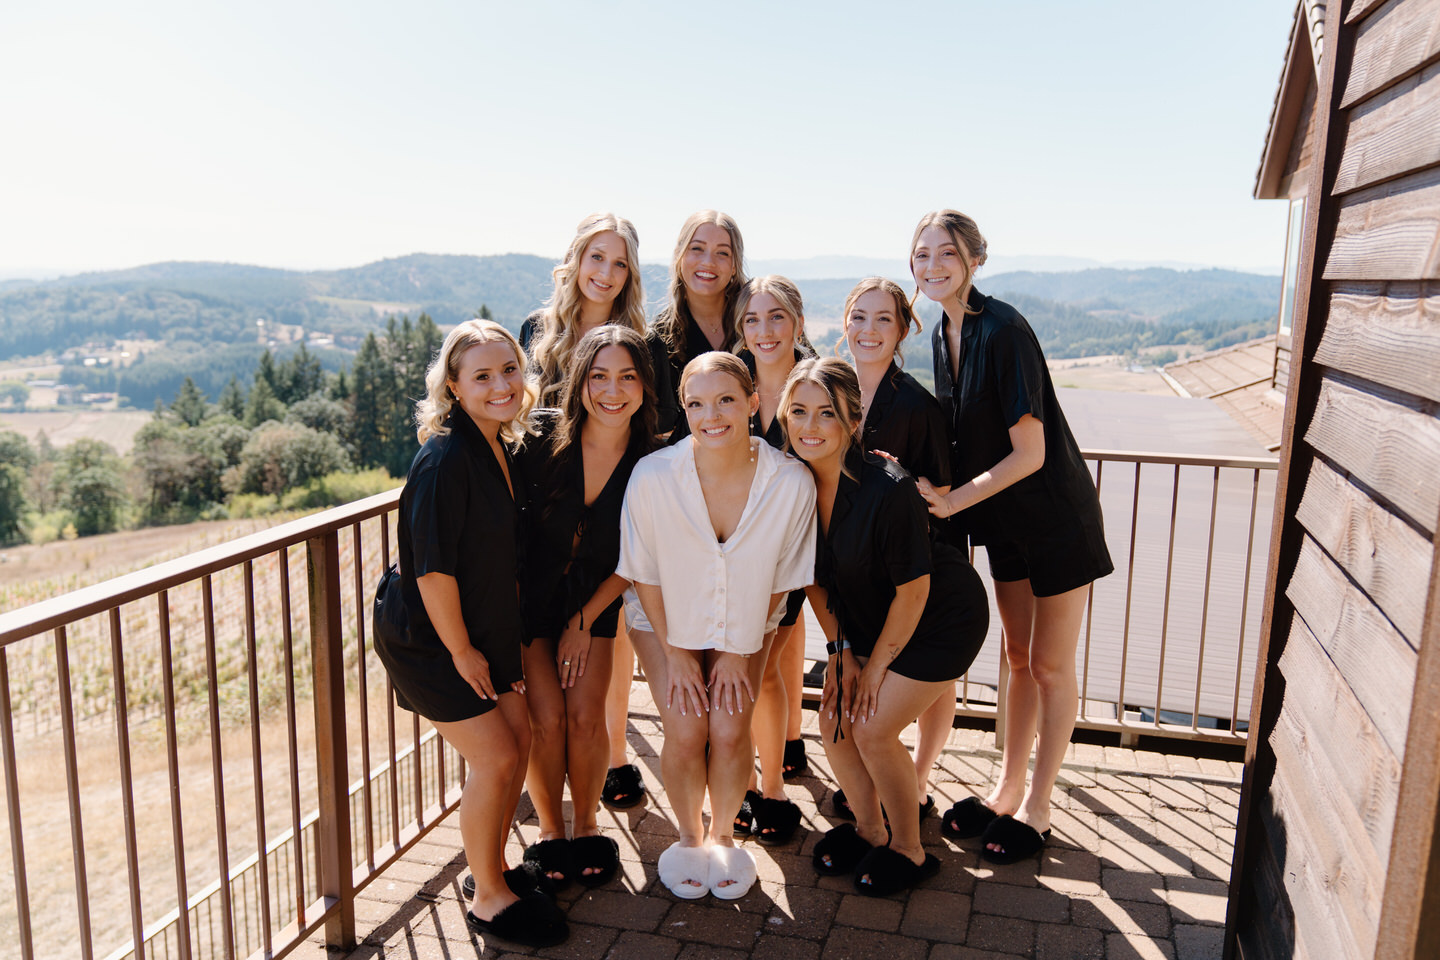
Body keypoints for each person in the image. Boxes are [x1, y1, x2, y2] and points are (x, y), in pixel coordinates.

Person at [910, 209, 1114, 864]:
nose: (932, 264)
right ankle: (1006, 786)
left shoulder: (1004, 331)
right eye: (921, 255)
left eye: (946, 252)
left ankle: (1040, 805)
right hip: (1005, 526)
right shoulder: (942, 333)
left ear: (975, 259)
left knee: (1051, 666)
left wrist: (951, 504)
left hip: (1056, 522)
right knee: (1018, 659)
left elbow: (1030, 452)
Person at [371, 319, 567, 947]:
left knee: (520, 738)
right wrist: (462, 652)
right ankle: (487, 897)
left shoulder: (498, 445)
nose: (501, 384)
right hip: (433, 640)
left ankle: (496, 869)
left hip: (482, 631)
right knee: (499, 755)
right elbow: (431, 570)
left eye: (509, 369)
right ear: (453, 386)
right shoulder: (444, 458)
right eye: (481, 376)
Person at [783, 357, 988, 896]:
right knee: (833, 721)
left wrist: (874, 669)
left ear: (852, 421)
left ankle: (909, 850)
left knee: (872, 726)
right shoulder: (792, 481)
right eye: (798, 411)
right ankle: (870, 831)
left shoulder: (886, 485)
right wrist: (841, 652)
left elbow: (914, 589)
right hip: (868, 623)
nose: (809, 426)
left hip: (940, 617)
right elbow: (813, 581)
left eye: (825, 413)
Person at [617, 352, 816, 900]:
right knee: (686, 727)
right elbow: (643, 572)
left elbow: (784, 576)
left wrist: (737, 650)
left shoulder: (791, 481)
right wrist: (677, 652)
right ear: (683, 409)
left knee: (729, 729)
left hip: (750, 616)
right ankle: (687, 839)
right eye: (697, 402)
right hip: (664, 618)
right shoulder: (653, 475)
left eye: (727, 399)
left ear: (753, 403)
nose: (713, 414)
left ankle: (726, 836)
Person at [516, 212, 662, 812]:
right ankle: (546, 785)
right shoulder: (538, 331)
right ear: (575, 260)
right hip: (548, 508)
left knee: (606, 645)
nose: (605, 272)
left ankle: (612, 759)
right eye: (596, 257)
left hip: (610, 523)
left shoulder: (639, 346)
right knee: (545, 695)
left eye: (619, 262)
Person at [836, 276, 954, 821]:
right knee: (861, 678)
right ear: (845, 323)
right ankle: (874, 779)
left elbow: (941, 493)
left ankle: (921, 777)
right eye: (860, 316)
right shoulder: (829, 389)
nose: (870, 329)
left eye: (885, 318)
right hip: (856, 570)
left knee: (931, 678)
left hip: (915, 564)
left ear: (903, 329)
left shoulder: (917, 406)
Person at [729, 275, 815, 846]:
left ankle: (770, 790)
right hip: (734, 556)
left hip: (795, 551)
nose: (765, 330)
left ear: (797, 324)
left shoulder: (815, 386)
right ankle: (746, 784)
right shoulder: (731, 380)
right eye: (753, 319)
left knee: (759, 672)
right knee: (749, 674)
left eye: (776, 317)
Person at [650, 210, 748, 434]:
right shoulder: (660, 337)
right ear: (679, 255)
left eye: (722, 253)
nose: (708, 262)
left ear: (734, 265)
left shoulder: (759, 317)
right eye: (697, 249)